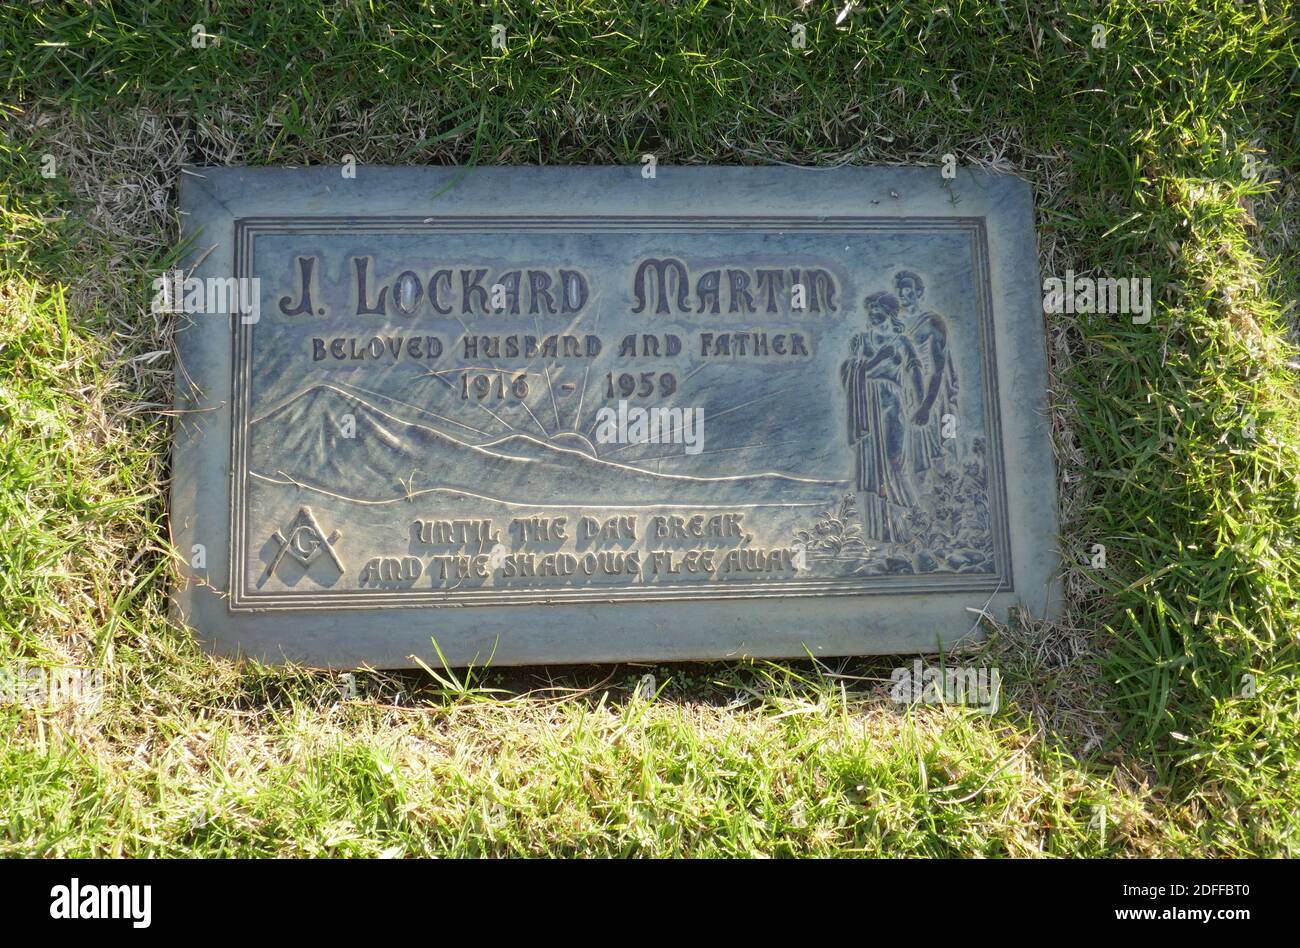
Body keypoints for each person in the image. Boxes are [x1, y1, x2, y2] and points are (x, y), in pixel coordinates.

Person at [840, 291, 924, 543]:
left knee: (895, 459)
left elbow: (915, 370)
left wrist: (922, 405)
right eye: (870, 311)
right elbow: (851, 372)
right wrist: (877, 357)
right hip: (868, 407)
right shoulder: (862, 341)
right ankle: (883, 530)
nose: (872, 315)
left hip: (893, 404)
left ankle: (912, 517)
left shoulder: (902, 342)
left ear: (889, 312)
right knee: (874, 469)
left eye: (877, 310)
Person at [894, 270, 958, 481]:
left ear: (919, 293)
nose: (903, 296)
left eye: (908, 292)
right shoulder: (893, 323)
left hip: (926, 394)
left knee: (928, 456)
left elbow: (938, 369)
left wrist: (926, 407)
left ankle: (941, 498)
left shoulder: (932, 323)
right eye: (900, 292)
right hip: (900, 395)